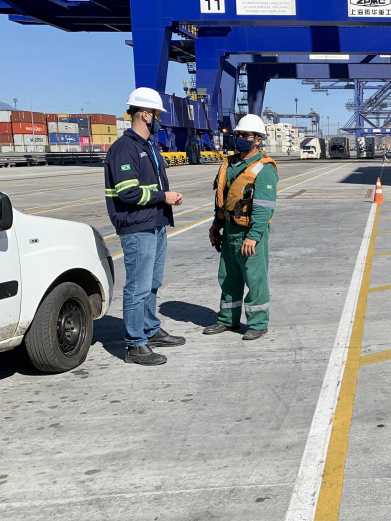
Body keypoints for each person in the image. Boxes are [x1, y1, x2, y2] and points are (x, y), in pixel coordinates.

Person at [104, 87, 186, 366]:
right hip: (137, 226)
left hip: (156, 223)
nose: (160, 120)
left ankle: (150, 330)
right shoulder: (125, 148)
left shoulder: (148, 145)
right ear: (145, 114)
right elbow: (127, 193)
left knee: (151, 283)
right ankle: (135, 344)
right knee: (138, 287)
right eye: (158, 114)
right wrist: (164, 196)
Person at [204, 114, 278, 341]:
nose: (240, 138)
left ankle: (258, 323)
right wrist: (216, 224)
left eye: (246, 135)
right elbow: (223, 197)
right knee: (228, 277)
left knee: (255, 278)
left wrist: (253, 236)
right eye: (238, 135)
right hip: (229, 230)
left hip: (249, 233)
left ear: (258, 139)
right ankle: (228, 319)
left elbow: (264, 207)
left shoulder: (264, 169)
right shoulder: (229, 164)